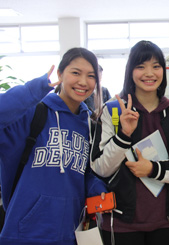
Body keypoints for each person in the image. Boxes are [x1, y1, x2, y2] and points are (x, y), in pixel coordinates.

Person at [90, 40, 169, 245]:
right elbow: (100, 168)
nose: (149, 73)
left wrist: (152, 169)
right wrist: (123, 135)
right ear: (130, 71)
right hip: (120, 221)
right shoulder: (113, 111)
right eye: (141, 66)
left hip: (166, 221)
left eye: (156, 66)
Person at [0, 47, 107, 245]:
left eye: (91, 76)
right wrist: (33, 91)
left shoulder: (89, 125)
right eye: (75, 73)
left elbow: (79, 171)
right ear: (60, 74)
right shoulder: (33, 114)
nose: (83, 82)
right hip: (24, 233)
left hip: (69, 233)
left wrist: (95, 187)